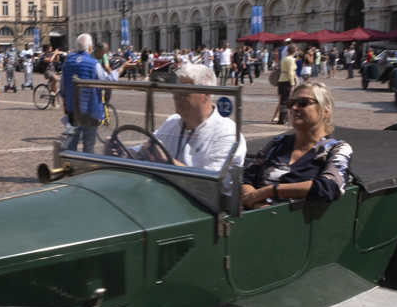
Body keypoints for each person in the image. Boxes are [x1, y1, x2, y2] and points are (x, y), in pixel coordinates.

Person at [241, 80, 352, 209]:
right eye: (291, 103)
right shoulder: (277, 143)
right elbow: (246, 178)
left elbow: (330, 186)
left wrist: (272, 190)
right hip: (255, 216)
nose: (294, 107)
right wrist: (257, 204)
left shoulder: (337, 149)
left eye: (304, 103)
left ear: (325, 111)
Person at [126, 63, 246, 173]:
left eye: (183, 91)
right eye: (175, 90)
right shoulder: (172, 122)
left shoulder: (227, 134)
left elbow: (213, 187)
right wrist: (123, 153)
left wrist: (169, 162)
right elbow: (145, 149)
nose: (175, 97)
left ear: (206, 95)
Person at [61, 34, 102, 152]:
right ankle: (87, 168)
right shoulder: (94, 63)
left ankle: (71, 167)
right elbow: (106, 80)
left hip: (72, 108)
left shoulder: (67, 62)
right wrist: (120, 70)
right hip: (91, 108)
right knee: (89, 144)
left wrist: (65, 103)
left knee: (72, 142)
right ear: (90, 47)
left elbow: (63, 86)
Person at [275, 48, 299, 124]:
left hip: (281, 79)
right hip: (287, 81)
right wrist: (292, 84)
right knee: (286, 100)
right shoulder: (291, 60)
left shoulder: (284, 58)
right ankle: (283, 119)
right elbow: (290, 73)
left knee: (282, 100)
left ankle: (283, 118)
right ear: (294, 51)